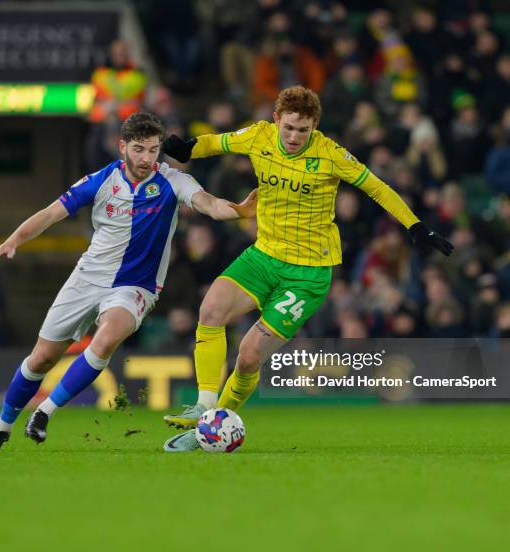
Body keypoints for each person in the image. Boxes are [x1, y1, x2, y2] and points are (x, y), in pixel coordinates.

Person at [161, 85, 454, 452]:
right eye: (289, 128)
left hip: (308, 275)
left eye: (303, 129)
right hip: (263, 256)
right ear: (276, 121)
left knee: (249, 355)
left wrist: (415, 225)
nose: (295, 136)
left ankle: (211, 427)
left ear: (315, 125)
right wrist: (188, 148)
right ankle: (204, 408)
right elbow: (215, 143)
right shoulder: (258, 136)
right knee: (210, 309)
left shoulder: (331, 154)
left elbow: (377, 188)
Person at [0, 112, 257, 451]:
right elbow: (51, 213)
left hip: (136, 285)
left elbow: (208, 204)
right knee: (41, 359)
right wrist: (13, 241)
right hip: (87, 277)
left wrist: (238, 210)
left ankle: (45, 412)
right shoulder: (101, 180)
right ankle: (1, 428)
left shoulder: (172, 181)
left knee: (106, 339)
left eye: (154, 150)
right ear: (122, 146)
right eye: (139, 149)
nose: (147, 159)